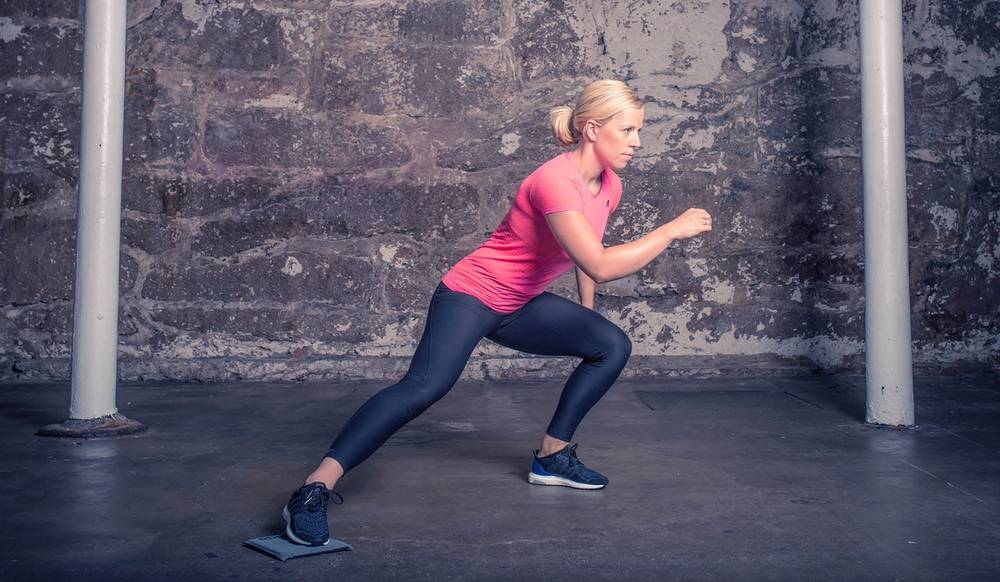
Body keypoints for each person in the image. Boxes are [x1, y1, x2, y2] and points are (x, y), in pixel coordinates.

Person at [281, 79, 714, 546]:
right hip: (471, 295)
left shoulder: (609, 184)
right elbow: (601, 264)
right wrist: (670, 230)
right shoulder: (554, 180)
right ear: (592, 129)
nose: (637, 142)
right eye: (628, 130)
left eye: (639, 131)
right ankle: (313, 488)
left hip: (521, 303)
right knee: (426, 386)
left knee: (610, 344)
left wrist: (588, 315)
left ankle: (552, 456)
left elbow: (586, 251)